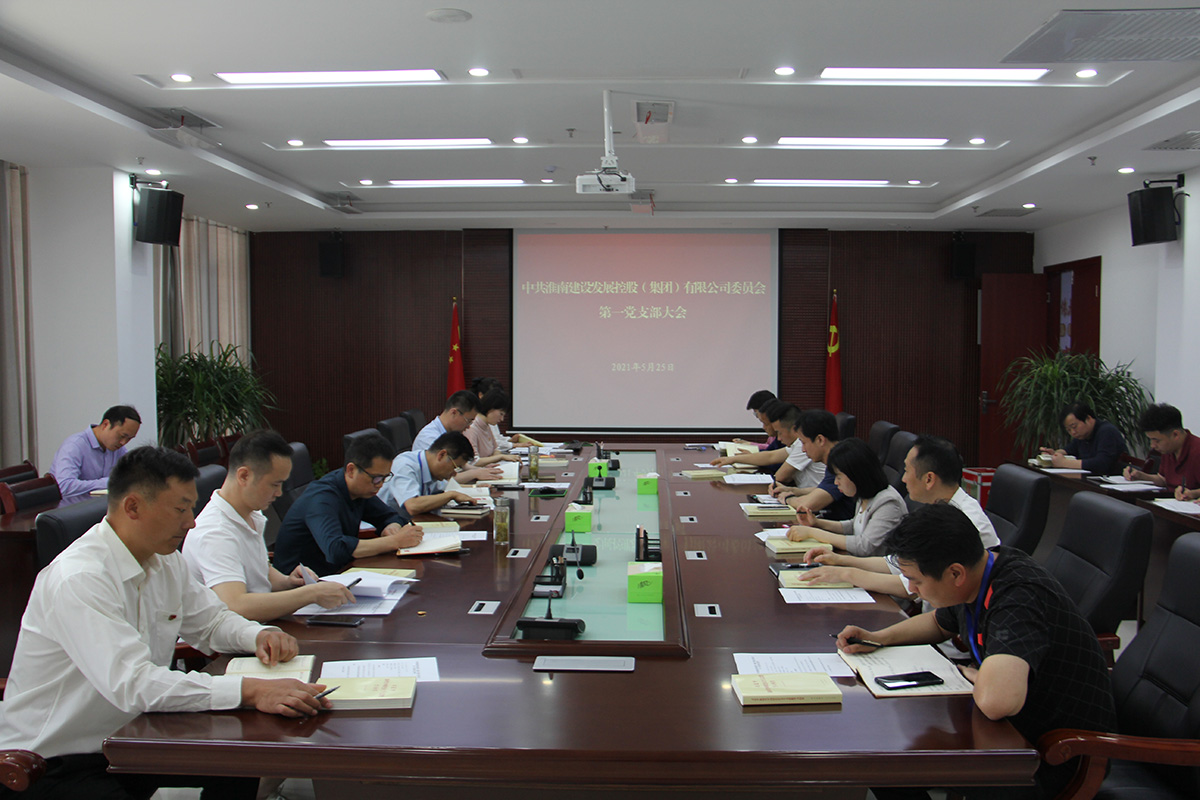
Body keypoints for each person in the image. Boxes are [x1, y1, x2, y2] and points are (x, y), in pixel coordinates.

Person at [0, 446, 329, 800]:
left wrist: (258, 635)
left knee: (238, 758)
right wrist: (251, 690)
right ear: (133, 507)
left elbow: (211, 620)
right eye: (180, 509)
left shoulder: (163, 559)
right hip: (52, 759)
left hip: (133, 733)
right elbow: (133, 682)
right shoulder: (80, 578)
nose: (191, 522)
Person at [841, 504, 1116, 800]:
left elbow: (998, 702)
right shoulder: (980, 572)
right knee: (887, 753)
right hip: (1009, 733)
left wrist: (982, 677)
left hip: (1054, 757)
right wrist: (878, 638)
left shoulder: (1017, 596)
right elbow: (939, 623)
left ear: (955, 573)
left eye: (917, 581)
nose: (912, 589)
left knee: (888, 761)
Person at [183, 430, 356, 622]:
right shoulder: (215, 533)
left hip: (259, 627)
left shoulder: (251, 513)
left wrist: (288, 581)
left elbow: (260, 574)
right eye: (275, 484)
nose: (279, 493)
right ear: (244, 476)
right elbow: (236, 606)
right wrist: (311, 594)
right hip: (227, 637)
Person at [801, 435, 999, 595]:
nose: (903, 479)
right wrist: (840, 560)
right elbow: (898, 562)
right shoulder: (938, 509)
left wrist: (846, 573)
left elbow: (911, 586)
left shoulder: (964, 521)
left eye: (906, 470)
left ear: (929, 479)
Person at [272, 432, 423, 576]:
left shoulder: (361, 489)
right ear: (351, 470)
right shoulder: (322, 498)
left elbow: (390, 516)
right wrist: (394, 541)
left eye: (385, 478)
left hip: (338, 574)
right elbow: (335, 549)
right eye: (376, 478)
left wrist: (392, 527)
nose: (380, 485)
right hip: (299, 583)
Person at [785, 437, 905, 556]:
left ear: (856, 474)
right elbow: (854, 526)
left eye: (839, 477)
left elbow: (863, 545)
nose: (836, 482)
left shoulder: (888, 502)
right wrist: (817, 523)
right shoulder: (864, 494)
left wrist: (813, 533)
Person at [711, 403, 823, 488]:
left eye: (780, 433)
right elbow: (770, 456)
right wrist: (732, 459)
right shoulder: (798, 443)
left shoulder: (802, 445)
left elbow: (780, 477)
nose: (778, 438)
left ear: (794, 429)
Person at [771, 409, 855, 520]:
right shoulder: (836, 457)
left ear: (820, 440)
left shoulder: (840, 463)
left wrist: (788, 498)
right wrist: (794, 491)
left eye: (804, 443)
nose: (803, 449)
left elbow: (808, 505)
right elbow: (824, 489)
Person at [378, 431, 484, 519]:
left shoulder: (432, 470)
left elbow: (444, 490)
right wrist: (451, 495)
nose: (455, 473)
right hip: (384, 528)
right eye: (455, 467)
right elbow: (413, 505)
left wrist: (476, 489)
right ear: (442, 455)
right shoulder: (405, 466)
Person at [48, 404, 142, 498]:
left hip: (101, 504)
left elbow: (130, 474)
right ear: (105, 424)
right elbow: (64, 486)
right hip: (73, 505)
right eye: (122, 436)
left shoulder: (117, 448)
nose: (123, 442)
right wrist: (109, 482)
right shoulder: (74, 445)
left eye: (129, 438)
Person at [1125, 403, 1200, 498]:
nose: (1152, 446)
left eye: (1157, 440)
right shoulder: (1168, 449)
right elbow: (1163, 479)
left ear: (1175, 435)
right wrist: (1141, 476)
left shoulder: (1197, 451)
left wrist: (1193, 493)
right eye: (1150, 440)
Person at [1039, 400, 1126, 475]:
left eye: (1074, 427)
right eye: (1068, 430)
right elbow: (1069, 450)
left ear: (1088, 418)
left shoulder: (1107, 431)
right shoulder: (1082, 436)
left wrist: (1064, 463)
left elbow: (1101, 464)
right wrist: (1054, 454)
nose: (1073, 432)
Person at [464, 387, 521, 465]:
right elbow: (473, 462)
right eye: (501, 414)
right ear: (491, 408)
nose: (502, 419)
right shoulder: (472, 427)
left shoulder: (487, 425)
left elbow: (496, 449)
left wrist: (496, 459)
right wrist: (500, 457)